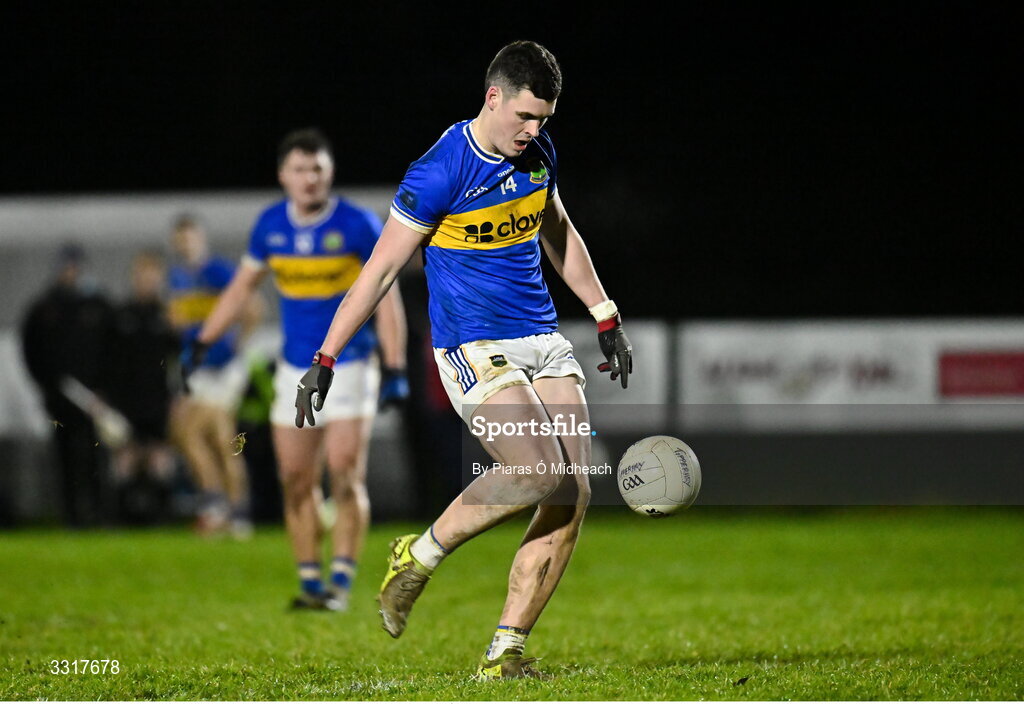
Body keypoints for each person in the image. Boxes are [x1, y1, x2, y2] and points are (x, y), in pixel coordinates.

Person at [294, 41, 632, 678]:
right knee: (536, 470)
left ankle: (505, 652)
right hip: (473, 344)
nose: (533, 132)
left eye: (544, 121)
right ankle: (417, 557)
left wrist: (604, 313)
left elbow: (558, 231)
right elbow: (381, 270)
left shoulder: (538, 153)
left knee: (574, 489)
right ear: (492, 97)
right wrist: (326, 357)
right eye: (524, 118)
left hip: (542, 338)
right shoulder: (439, 171)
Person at [183, 128, 409, 610]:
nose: (309, 179)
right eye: (300, 170)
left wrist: (394, 365)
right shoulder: (269, 227)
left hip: (349, 363)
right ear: (283, 175)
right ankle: (310, 582)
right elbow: (240, 290)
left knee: (345, 471)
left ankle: (341, 584)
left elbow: (387, 296)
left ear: (330, 174)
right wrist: (202, 341)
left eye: (318, 170)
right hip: (293, 370)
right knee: (295, 477)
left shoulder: (358, 225)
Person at [168, 215, 255, 538]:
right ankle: (234, 511)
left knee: (201, 434)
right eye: (181, 239)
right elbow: (181, 321)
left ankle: (222, 506)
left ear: (201, 239)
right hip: (200, 369)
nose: (185, 244)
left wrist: (234, 344)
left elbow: (253, 308)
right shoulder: (178, 277)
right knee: (205, 437)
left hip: (223, 368)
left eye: (190, 238)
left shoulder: (217, 272)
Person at [21, 243, 115, 527]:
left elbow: (113, 351)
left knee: (95, 455)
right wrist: (45, 385)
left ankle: (99, 513)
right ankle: (71, 515)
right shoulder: (43, 308)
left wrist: (104, 388)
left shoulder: (98, 305)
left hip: (94, 400)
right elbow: (30, 351)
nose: (70, 272)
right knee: (64, 457)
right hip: (59, 400)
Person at [106, 250, 179, 523]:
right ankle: (121, 517)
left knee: (160, 457)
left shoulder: (167, 317)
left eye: (153, 277)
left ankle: (162, 516)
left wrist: (178, 398)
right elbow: (109, 360)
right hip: (125, 399)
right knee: (125, 457)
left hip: (158, 398)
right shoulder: (121, 315)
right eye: (142, 276)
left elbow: (179, 360)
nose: (147, 282)